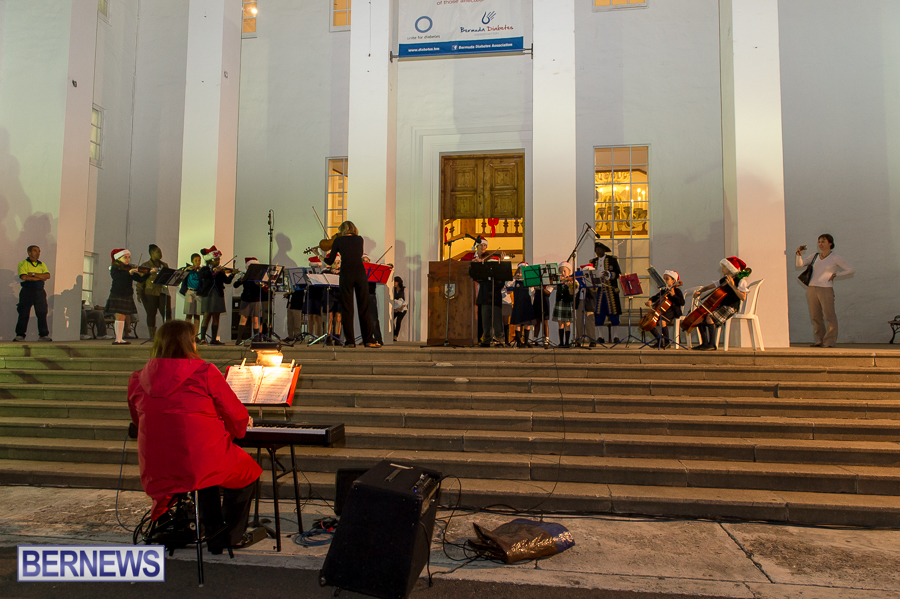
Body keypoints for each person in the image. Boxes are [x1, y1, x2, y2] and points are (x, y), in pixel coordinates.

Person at [127, 320, 261, 554]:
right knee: (247, 471)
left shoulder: (137, 378)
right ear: (188, 343)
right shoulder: (204, 372)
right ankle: (228, 535)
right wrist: (237, 427)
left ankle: (199, 527)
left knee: (197, 471)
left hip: (158, 464)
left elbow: (140, 422)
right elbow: (236, 414)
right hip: (201, 461)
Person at [320, 221, 378, 348]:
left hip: (346, 274)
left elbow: (330, 260)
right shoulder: (359, 239)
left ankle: (350, 341)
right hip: (360, 274)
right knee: (364, 307)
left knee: (347, 309)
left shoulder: (338, 240)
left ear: (343, 229)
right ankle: (368, 340)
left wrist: (320, 256)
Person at [796, 234, 855, 348]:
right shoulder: (815, 256)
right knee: (815, 316)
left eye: (823, 241)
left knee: (829, 316)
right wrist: (799, 255)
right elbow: (800, 264)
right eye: (819, 241)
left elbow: (851, 269)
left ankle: (829, 341)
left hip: (825, 288)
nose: (820, 244)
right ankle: (820, 340)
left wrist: (836, 274)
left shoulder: (835, 257)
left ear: (830, 243)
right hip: (812, 288)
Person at [691, 256, 751, 351]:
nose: (722, 269)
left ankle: (712, 344)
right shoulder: (724, 280)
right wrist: (701, 291)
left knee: (709, 317)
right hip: (721, 306)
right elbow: (710, 286)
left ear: (730, 268)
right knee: (700, 317)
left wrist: (733, 286)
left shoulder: (740, 281)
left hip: (731, 307)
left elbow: (743, 297)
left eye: (724, 267)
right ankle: (705, 343)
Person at [106, 249, 154, 345]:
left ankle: (120, 338)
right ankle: (117, 339)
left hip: (127, 293)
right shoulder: (115, 268)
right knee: (119, 316)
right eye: (125, 257)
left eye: (128, 257)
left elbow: (140, 279)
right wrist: (129, 272)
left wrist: (149, 273)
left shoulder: (129, 268)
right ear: (118, 259)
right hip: (118, 293)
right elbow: (116, 277)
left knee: (123, 315)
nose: (128, 259)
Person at [197, 246, 235, 345]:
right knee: (206, 316)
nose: (218, 261)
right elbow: (200, 276)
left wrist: (232, 274)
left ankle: (214, 339)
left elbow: (227, 281)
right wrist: (212, 271)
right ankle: (202, 338)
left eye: (218, 259)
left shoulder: (221, 271)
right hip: (208, 294)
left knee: (216, 316)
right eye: (216, 259)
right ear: (211, 260)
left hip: (218, 294)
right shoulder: (204, 269)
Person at [15, 245, 52, 342]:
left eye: (39, 251)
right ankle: (20, 335)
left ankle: (43, 335)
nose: (38, 253)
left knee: (42, 313)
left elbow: (47, 276)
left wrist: (32, 274)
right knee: (24, 313)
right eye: (35, 251)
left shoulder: (42, 264)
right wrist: (40, 277)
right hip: (27, 291)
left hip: (40, 291)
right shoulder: (23, 263)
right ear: (29, 252)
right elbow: (24, 277)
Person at [137, 244, 172, 339]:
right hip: (150, 292)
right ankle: (152, 335)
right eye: (158, 252)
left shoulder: (164, 265)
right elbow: (140, 280)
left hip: (163, 291)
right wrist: (139, 293)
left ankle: (168, 334)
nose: (160, 254)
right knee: (151, 314)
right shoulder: (146, 265)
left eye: (160, 252)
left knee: (167, 313)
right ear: (151, 253)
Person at [470, 255, 505, 347]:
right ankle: (486, 339)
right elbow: (473, 275)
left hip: (495, 299)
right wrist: (474, 265)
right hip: (485, 300)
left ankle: (500, 339)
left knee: (497, 321)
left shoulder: (499, 276)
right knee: (485, 322)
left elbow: (500, 284)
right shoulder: (483, 276)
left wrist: (493, 278)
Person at [644, 270, 684, 349]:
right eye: (664, 279)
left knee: (661, 321)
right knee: (649, 321)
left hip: (672, 311)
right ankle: (659, 340)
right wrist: (650, 300)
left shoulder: (677, 291)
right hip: (663, 311)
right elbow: (655, 297)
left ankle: (667, 342)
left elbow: (682, 302)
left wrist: (673, 295)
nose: (665, 280)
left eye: (667, 279)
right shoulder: (664, 291)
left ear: (673, 281)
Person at [233, 257, 269, 345]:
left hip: (256, 299)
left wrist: (262, 284)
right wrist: (241, 279)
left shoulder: (259, 276)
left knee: (256, 319)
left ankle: (256, 338)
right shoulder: (245, 276)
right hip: (246, 299)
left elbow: (265, 287)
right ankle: (239, 339)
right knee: (243, 319)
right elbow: (235, 285)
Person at [592, 241, 622, 344]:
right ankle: (600, 336)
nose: (597, 251)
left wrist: (609, 274)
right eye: (596, 250)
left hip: (611, 291)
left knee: (614, 312)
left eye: (599, 249)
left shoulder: (612, 260)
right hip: (598, 291)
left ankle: (616, 336)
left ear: (604, 250)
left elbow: (618, 273)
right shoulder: (593, 261)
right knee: (599, 313)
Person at [508, 263, 536, 348]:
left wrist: (531, 286)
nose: (520, 274)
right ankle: (519, 341)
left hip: (527, 304)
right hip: (518, 305)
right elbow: (508, 285)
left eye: (522, 272)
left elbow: (532, 293)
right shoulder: (515, 282)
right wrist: (514, 278)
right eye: (519, 272)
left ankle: (526, 341)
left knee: (527, 323)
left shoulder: (528, 282)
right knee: (518, 323)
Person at [553, 261, 578, 348]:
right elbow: (552, 287)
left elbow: (573, 293)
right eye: (560, 271)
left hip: (567, 303)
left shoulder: (572, 281)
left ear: (569, 272)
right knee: (561, 324)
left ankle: (567, 342)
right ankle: (561, 342)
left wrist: (570, 286)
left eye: (564, 271)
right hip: (559, 303)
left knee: (567, 323)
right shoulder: (558, 281)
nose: (562, 273)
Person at [361, 254, 384, 345]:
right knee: (364, 318)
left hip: (370, 296)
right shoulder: (359, 271)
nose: (366, 262)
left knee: (374, 318)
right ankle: (367, 338)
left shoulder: (372, 271)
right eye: (364, 261)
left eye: (367, 261)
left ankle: (378, 339)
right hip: (362, 296)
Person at [180, 253, 203, 337]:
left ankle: (195, 335)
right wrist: (186, 269)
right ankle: (187, 334)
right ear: (192, 261)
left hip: (199, 293)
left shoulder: (201, 271)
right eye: (195, 260)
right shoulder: (188, 270)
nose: (198, 262)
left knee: (197, 314)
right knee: (189, 313)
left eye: (199, 260)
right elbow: (179, 271)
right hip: (190, 292)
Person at [391, 277, 408, 342]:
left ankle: (395, 336)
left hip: (402, 308)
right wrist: (394, 309)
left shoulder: (404, 289)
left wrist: (401, 308)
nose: (394, 283)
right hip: (395, 308)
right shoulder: (393, 290)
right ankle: (393, 333)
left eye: (395, 282)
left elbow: (406, 301)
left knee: (398, 321)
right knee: (390, 320)